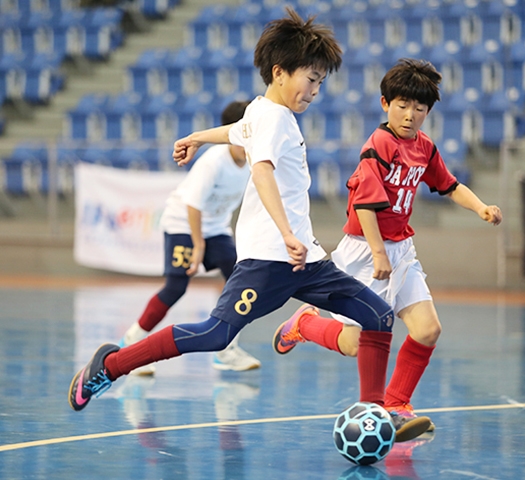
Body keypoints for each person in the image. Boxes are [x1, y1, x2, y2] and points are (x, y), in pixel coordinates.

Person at [68, 8, 432, 443]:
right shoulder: (275, 120)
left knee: (378, 315)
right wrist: (286, 233)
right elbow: (261, 172)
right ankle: (109, 366)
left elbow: (237, 131)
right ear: (279, 72)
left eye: (320, 82)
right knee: (215, 335)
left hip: (308, 261)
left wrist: (196, 137)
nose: (315, 91)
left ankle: (375, 413)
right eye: (310, 79)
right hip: (271, 260)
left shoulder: (262, 111)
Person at [272, 58, 502, 429]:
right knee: (353, 344)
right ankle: (306, 324)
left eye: (419, 108)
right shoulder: (378, 145)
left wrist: (481, 208)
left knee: (428, 329)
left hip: (401, 250)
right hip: (365, 250)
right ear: (385, 104)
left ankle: (396, 406)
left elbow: (450, 185)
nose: (410, 115)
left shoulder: (424, 147)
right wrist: (379, 253)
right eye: (402, 105)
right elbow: (364, 205)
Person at [119, 100, 261, 374]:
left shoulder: (255, 162)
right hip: (183, 223)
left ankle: (226, 350)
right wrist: (198, 246)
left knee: (241, 278)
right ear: (232, 133)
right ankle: (132, 342)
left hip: (217, 228)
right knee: (176, 287)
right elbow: (193, 205)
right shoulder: (213, 162)